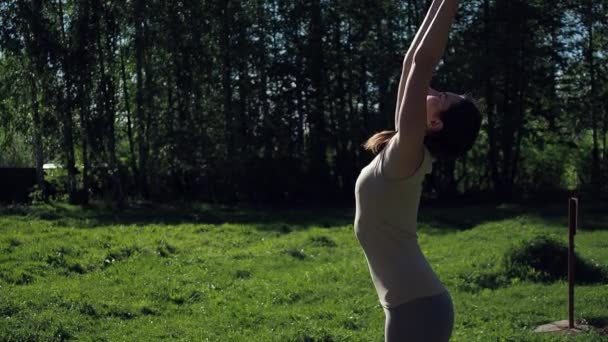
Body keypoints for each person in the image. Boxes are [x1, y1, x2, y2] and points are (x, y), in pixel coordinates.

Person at [354, 0, 481, 341]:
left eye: (438, 96)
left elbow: (423, 63)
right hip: (410, 306)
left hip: (418, 308)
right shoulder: (402, 148)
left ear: (435, 123)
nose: (429, 90)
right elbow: (411, 61)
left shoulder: (407, 154)